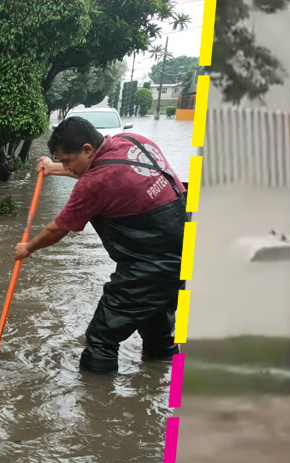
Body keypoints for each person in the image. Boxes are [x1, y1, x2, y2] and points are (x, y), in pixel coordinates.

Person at [14, 117, 188, 374]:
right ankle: (161, 388)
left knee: (101, 340)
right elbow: (107, 173)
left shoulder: (93, 184)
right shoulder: (133, 141)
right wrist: (55, 168)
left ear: (86, 149)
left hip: (150, 264)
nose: (67, 167)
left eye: (67, 161)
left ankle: (98, 404)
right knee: (158, 326)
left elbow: (59, 227)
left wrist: (27, 248)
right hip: (185, 246)